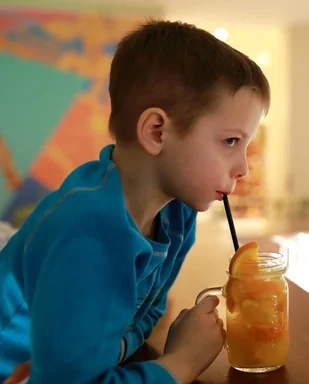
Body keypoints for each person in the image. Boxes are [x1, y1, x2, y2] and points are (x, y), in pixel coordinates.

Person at [0, 20, 270, 384]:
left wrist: (129, 349)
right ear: (157, 131)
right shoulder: (89, 231)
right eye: (230, 142)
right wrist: (181, 362)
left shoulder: (176, 213)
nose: (243, 168)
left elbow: (148, 311)